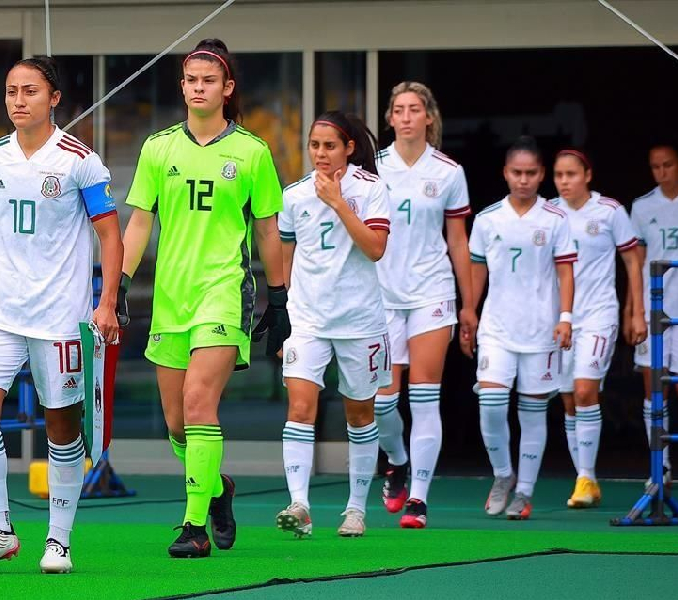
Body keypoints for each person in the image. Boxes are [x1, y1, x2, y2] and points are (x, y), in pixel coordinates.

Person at [0, 56, 122, 574]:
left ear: (54, 99)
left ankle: (59, 540)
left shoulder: (80, 159)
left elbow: (110, 233)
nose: (18, 100)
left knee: (62, 427)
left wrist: (107, 301)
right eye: (10, 92)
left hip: (59, 315)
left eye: (29, 91)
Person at [120, 39, 289, 558]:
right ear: (183, 87)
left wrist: (279, 301)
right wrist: (115, 285)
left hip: (224, 292)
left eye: (208, 80)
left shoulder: (253, 152)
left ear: (227, 88)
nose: (198, 88)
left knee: (199, 404)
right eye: (191, 80)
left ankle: (193, 526)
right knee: (176, 423)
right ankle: (217, 490)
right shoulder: (158, 147)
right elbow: (141, 221)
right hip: (171, 298)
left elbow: (267, 232)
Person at [275, 111, 391, 538]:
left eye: (329, 145)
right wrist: (285, 316)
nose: (320, 153)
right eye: (314, 145)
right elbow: (287, 258)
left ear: (349, 149)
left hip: (360, 321)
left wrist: (338, 202)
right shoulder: (293, 195)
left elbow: (376, 248)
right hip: (307, 320)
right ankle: (300, 505)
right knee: (299, 409)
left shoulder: (372, 188)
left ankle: (356, 509)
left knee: (359, 414)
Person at [373, 82, 476, 528]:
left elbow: (458, 240)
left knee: (425, 395)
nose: (408, 116)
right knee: (382, 401)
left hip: (432, 292)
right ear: (390, 119)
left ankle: (418, 499)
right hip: (380, 295)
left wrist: (469, 304)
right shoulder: (372, 168)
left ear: (428, 117)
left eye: (416, 109)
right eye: (400, 110)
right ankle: (396, 461)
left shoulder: (449, 171)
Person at [467, 136, 575, 520]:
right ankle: (503, 475)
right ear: (505, 173)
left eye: (531, 173)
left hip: (541, 331)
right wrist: (469, 310)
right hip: (496, 328)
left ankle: (524, 492)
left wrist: (565, 318)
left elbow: (565, 270)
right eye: (517, 172)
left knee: (532, 414)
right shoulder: (487, 219)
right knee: (491, 406)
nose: (524, 180)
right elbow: (476, 269)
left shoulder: (555, 219)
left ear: (541, 174)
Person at [551, 149, 645, 508]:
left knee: (586, 390)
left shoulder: (609, 210)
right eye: (559, 175)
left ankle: (586, 475)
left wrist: (634, 310)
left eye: (571, 174)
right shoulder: (548, 212)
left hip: (598, 316)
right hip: (560, 319)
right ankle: (584, 480)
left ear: (587, 175)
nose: (564, 181)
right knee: (569, 400)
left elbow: (632, 260)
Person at [626, 143, 678, 483]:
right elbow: (636, 262)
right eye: (656, 166)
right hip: (656, 307)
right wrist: (634, 309)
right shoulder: (643, 207)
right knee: (654, 387)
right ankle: (661, 464)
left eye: (668, 165)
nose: (662, 172)